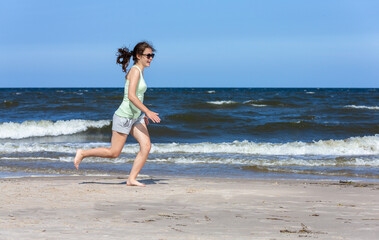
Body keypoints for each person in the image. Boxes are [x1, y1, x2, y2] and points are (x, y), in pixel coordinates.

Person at [74, 41, 160, 187]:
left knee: (146, 146)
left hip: (136, 117)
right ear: (138, 56)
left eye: (152, 55)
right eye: (148, 55)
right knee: (114, 153)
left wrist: (141, 114)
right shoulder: (134, 71)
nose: (151, 58)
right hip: (124, 116)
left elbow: (137, 96)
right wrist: (148, 111)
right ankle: (82, 153)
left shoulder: (140, 71)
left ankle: (131, 179)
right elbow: (131, 96)